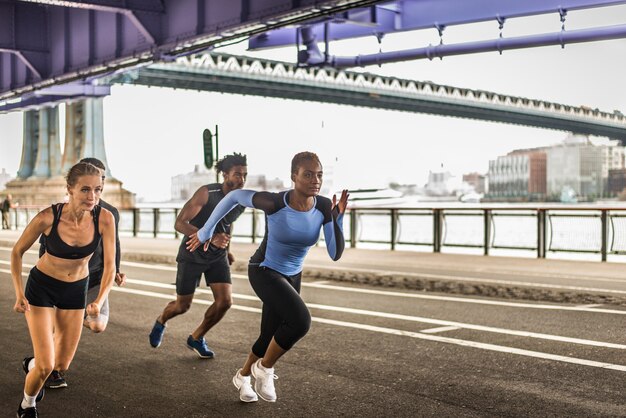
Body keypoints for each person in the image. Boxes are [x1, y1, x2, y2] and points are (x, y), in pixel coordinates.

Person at [187, 151, 348, 403]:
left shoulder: (325, 206)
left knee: (268, 335)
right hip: (264, 270)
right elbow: (234, 197)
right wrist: (207, 231)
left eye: (319, 175)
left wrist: (338, 220)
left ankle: (242, 377)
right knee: (300, 321)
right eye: (307, 175)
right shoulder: (275, 202)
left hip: (292, 275)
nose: (315, 180)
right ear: (294, 176)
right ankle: (264, 368)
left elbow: (335, 253)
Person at [11, 162, 117, 418]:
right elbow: (17, 252)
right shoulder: (49, 217)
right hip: (42, 288)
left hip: (75, 290)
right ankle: (27, 405)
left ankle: (32, 365)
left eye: (98, 190)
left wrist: (99, 300)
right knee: (47, 364)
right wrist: (18, 293)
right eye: (85, 190)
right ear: (69, 189)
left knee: (60, 364)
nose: (92, 197)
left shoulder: (104, 218)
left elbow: (110, 267)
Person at [38, 157, 126, 389]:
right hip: (64, 279)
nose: (95, 189)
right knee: (59, 329)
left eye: (101, 181)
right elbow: (45, 244)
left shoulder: (110, 213)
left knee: (98, 325)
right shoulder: (61, 211)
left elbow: (114, 244)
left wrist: (116, 268)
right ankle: (52, 370)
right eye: (88, 186)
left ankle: (68, 329)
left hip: (95, 277)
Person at [149, 153, 248, 359]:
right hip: (193, 254)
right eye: (237, 174)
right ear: (224, 174)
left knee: (225, 302)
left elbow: (228, 223)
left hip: (217, 257)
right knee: (182, 306)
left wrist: (227, 250)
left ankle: (196, 337)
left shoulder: (240, 200)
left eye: (244, 175)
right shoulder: (206, 193)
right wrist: (210, 238)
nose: (241, 179)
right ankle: (161, 321)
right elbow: (179, 223)